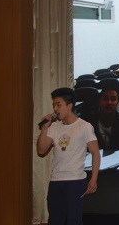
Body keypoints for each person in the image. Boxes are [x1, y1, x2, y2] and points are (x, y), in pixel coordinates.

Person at [37, 88, 100, 225]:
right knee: (55, 220)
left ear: (69, 106)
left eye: (58, 105)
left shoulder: (84, 126)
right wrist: (45, 129)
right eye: (54, 105)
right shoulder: (54, 127)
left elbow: (95, 153)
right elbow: (41, 150)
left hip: (75, 181)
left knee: (74, 220)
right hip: (56, 181)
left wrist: (93, 179)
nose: (55, 109)